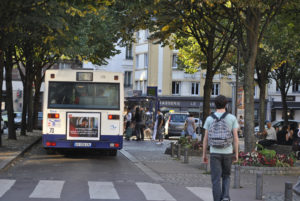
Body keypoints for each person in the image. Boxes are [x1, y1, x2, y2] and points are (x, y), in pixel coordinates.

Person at [202, 95, 239, 201]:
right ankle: (226, 197)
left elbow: (205, 139)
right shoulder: (232, 118)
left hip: (214, 152)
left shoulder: (209, 118)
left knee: (216, 179)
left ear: (215, 105)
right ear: (226, 104)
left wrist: (204, 155)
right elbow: (236, 138)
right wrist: (236, 154)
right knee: (227, 176)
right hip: (227, 152)